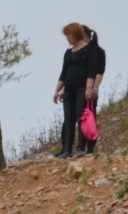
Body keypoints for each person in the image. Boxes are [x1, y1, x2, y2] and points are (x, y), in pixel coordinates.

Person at [53, 23, 97, 159]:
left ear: (77, 34)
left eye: (69, 35)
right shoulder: (68, 53)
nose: (68, 38)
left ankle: (80, 148)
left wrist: (89, 88)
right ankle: (66, 150)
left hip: (82, 89)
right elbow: (63, 73)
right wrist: (57, 90)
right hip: (69, 89)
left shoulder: (90, 50)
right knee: (68, 119)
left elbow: (91, 72)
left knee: (81, 117)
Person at [76, 26, 106, 156]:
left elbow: (100, 71)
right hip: (78, 88)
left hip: (90, 89)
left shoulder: (98, 51)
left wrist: (94, 88)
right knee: (81, 117)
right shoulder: (79, 51)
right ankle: (81, 147)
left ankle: (89, 147)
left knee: (89, 117)